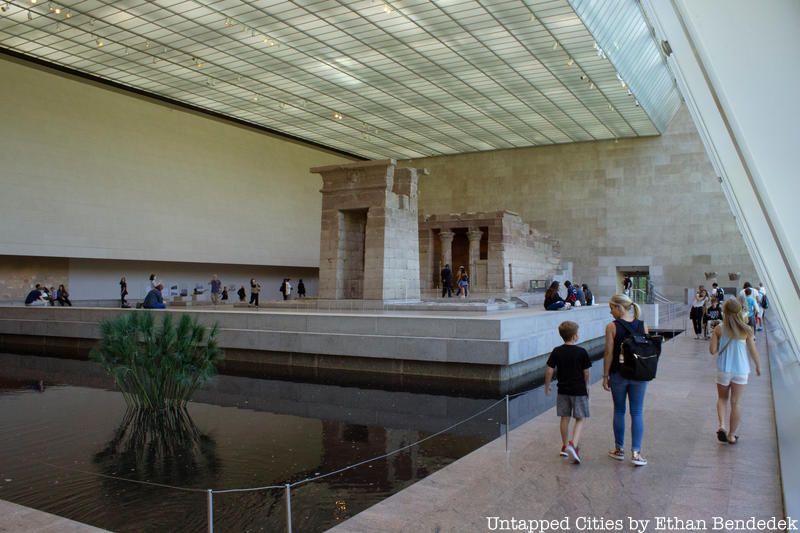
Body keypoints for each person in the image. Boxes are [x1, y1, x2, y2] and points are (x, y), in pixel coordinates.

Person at [602, 294, 649, 466]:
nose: (610, 312)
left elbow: (608, 353)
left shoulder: (612, 327)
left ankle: (619, 449)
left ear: (619, 308)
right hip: (639, 374)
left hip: (618, 373)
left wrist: (605, 375)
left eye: (611, 308)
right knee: (637, 412)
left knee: (619, 411)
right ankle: (636, 453)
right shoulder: (643, 325)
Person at [709, 299, 762, 444]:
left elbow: (712, 351)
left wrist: (716, 338)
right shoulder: (746, 330)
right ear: (739, 312)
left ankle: (722, 426)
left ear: (724, 312)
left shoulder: (719, 328)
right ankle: (732, 435)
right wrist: (758, 366)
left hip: (723, 369)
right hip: (741, 370)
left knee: (722, 399)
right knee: (736, 402)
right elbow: (753, 350)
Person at [544, 320, 591, 464]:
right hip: (578, 390)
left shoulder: (557, 351)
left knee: (564, 417)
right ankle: (573, 444)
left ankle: (564, 446)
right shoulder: (582, 352)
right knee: (580, 418)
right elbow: (586, 372)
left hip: (562, 390)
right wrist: (587, 385)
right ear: (575, 336)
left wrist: (547, 384)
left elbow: (549, 369)